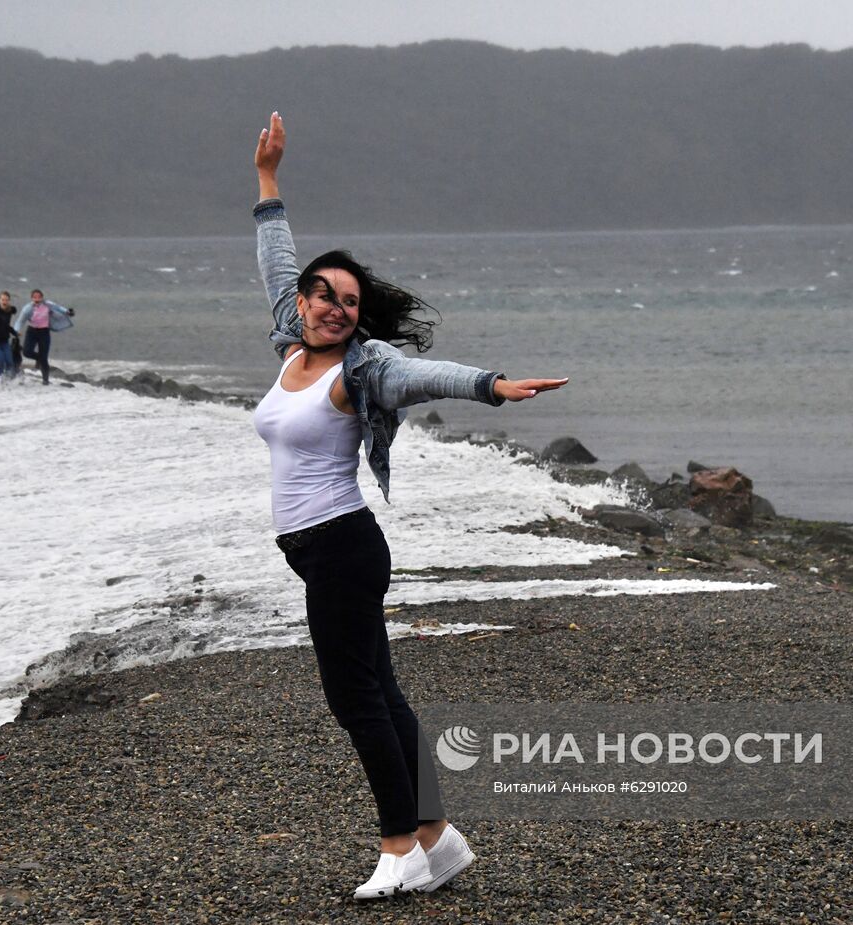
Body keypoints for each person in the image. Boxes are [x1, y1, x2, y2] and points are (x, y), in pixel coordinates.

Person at [251, 111, 567, 901]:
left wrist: (493, 385)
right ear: (303, 301)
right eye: (321, 292)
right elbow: (276, 261)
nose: (331, 305)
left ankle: (398, 848)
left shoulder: (366, 366)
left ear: (360, 315)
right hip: (315, 549)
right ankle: (440, 838)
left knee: (353, 697)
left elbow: (431, 377)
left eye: (347, 299)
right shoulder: (293, 343)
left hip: (343, 546)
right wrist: (268, 183)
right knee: (383, 692)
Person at [14, 288, 75, 384]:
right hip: (32, 331)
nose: (37, 299)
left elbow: (58, 308)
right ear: (31, 298)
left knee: (44, 358)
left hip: (44, 332)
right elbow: (19, 321)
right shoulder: (27, 309)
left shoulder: (47, 304)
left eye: (39, 297)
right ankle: (38, 358)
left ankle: (45, 380)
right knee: (26, 352)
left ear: (42, 297)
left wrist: (68, 312)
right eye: (35, 297)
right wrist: (16, 331)